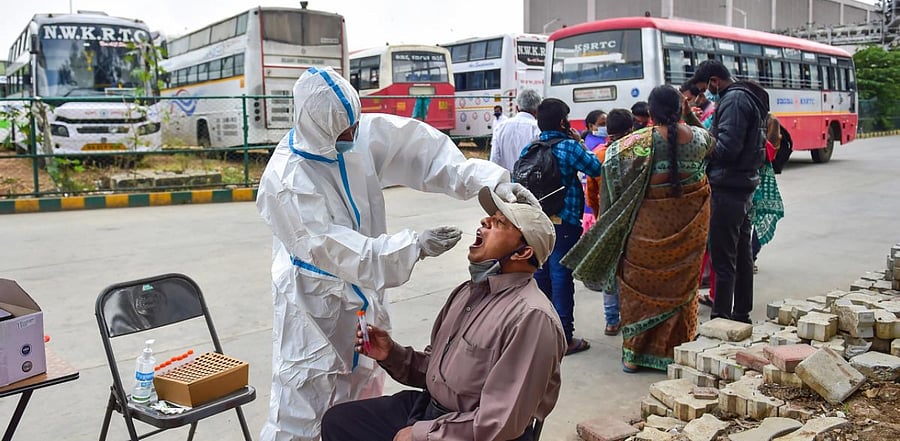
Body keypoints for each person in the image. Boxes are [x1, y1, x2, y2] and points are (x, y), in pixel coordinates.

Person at [256, 66, 539, 441]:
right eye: (344, 132)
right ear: (316, 128)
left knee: (363, 388)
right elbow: (333, 249)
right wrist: (413, 246)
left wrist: (494, 181)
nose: (353, 136)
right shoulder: (286, 181)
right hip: (312, 301)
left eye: (355, 125)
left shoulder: (528, 316)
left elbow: (426, 153)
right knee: (305, 397)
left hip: (362, 295)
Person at [320, 186, 566, 441]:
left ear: (523, 252)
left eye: (499, 222)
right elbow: (437, 373)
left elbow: (500, 422)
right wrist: (392, 354)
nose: (485, 221)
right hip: (433, 411)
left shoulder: (532, 318)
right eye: (489, 217)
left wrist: (422, 435)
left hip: (475, 431)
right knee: (340, 422)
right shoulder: (468, 293)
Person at [563, 85, 713, 372]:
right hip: (689, 237)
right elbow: (713, 142)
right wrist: (688, 116)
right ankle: (678, 351)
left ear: (650, 113)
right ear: (681, 107)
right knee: (681, 293)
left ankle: (634, 357)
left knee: (638, 295)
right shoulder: (699, 139)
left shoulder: (629, 146)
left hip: (643, 239)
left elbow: (610, 195)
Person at [520, 98, 603, 356]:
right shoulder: (568, 147)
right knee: (562, 279)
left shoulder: (529, 149)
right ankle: (564, 338)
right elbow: (596, 167)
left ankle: (544, 334)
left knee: (540, 277)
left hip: (536, 223)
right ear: (563, 122)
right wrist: (578, 139)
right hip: (564, 222)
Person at [690, 60, 769, 324]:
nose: (705, 95)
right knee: (741, 254)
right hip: (741, 184)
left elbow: (726, 149)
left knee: (724, 258)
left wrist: (700, 145)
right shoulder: (742, 97)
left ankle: (721, 318)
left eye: (705, 89)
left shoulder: (734, 101)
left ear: (714, 80)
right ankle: (740, 313)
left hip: (728, 186)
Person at [583, 108, 633, 336]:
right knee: (631, 270)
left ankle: (612, 321)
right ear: (630, 129)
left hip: (606, 219)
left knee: (610, 272)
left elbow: (590, 192)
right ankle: (632, 318)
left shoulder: (599, 153)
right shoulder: (636, 152)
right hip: (633, 221)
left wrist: (599, 213)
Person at [490, 89, 542, 172]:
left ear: (516, 108)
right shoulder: (538, 128)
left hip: (506, 181)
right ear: (537, 110)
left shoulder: (500, 127)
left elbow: (494, 158)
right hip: (529, 181)